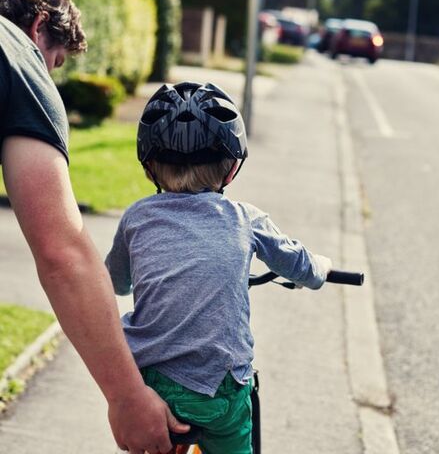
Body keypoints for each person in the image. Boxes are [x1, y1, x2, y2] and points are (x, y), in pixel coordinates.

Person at [0, 0, 189, 452]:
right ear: (39, 25)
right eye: (55, 61)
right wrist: (127, 397)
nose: (50, 72)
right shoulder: (17, 59)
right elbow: (63, 252)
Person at [105, 81, 333, 453]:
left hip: (155, 384)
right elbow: (300, 265)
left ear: (148, 167)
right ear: (231, 168)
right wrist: (321, 267)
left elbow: (115, 282)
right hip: (222, 390)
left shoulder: (137, 219)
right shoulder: (245, 219)